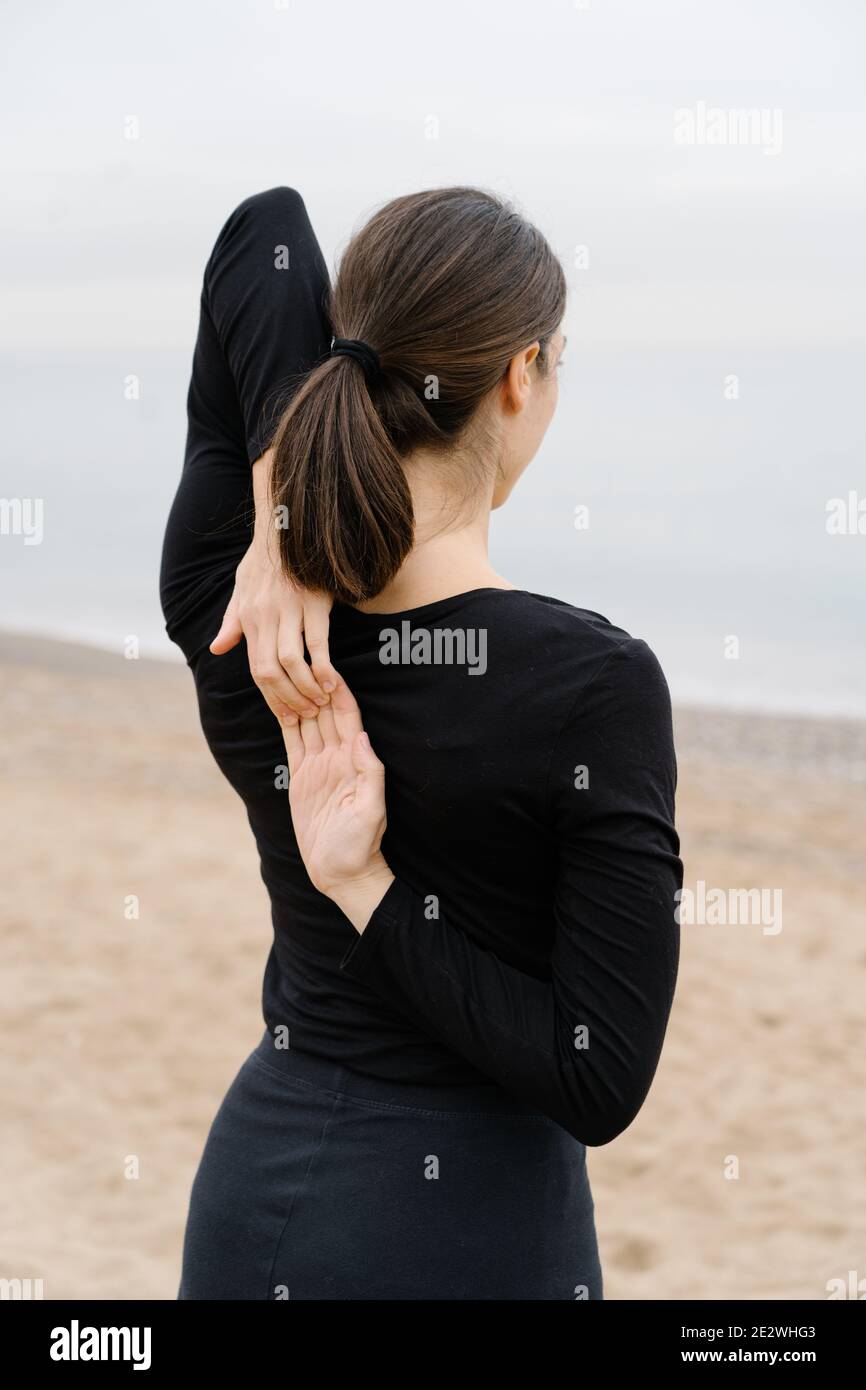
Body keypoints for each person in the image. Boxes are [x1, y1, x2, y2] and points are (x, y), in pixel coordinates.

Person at [160, 185, 682, 1301]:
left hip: (259, 1201)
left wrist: (276, 531)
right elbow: (595, 1077)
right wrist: (370, 891)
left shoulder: (236, 620)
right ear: (519, 377)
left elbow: (265, 231)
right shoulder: (593, 686)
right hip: (473, 1234)